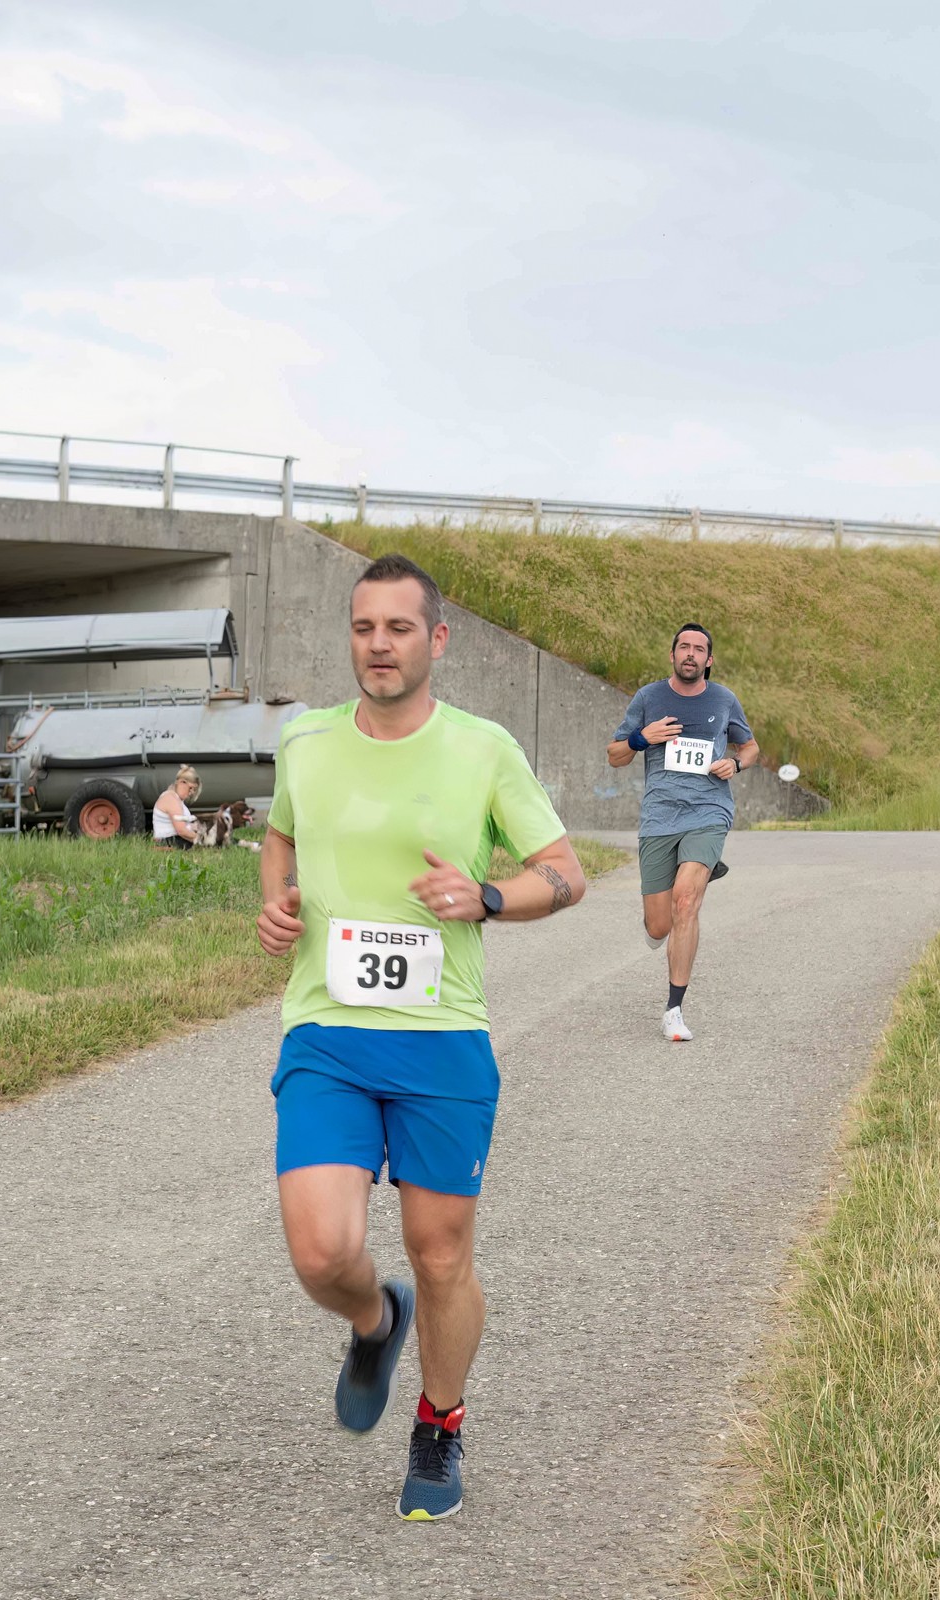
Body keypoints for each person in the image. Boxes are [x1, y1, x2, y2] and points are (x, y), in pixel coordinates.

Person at [255, 552, 587, 1522]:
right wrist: (276, 901)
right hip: (327, 1029)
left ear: (436, 639)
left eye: (399, 628)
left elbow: (563, 871)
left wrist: (488, 896)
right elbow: (281, 835)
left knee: (440, 1254)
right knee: (322, 1251)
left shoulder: (482, 750)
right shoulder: (305, 742)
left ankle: (440, 1422)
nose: (379, 645)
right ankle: (375, 1318)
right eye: (364, 628)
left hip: (442, 1038)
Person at [606, 623, 758, 1042]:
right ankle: (694, 871)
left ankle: (674, 1009)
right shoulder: (648, 698)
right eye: (684, 647)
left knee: (686, 901)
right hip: (659, 817)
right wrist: (642, 737)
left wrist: (736, 764)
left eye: (699, 649)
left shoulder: (723, 699)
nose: (691, 654)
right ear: (672, 655)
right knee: (659, 926)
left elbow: (749, 747)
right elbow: (615, 754)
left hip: (708, 810)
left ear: (709, 660)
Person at [152, 764, 201, 850]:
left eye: (194, 790)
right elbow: (181, 831)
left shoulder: (176, 799)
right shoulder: (171, 799)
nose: (191, 793)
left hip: (174, 839)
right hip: (171, 841)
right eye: (190, 788)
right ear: (182, 782)